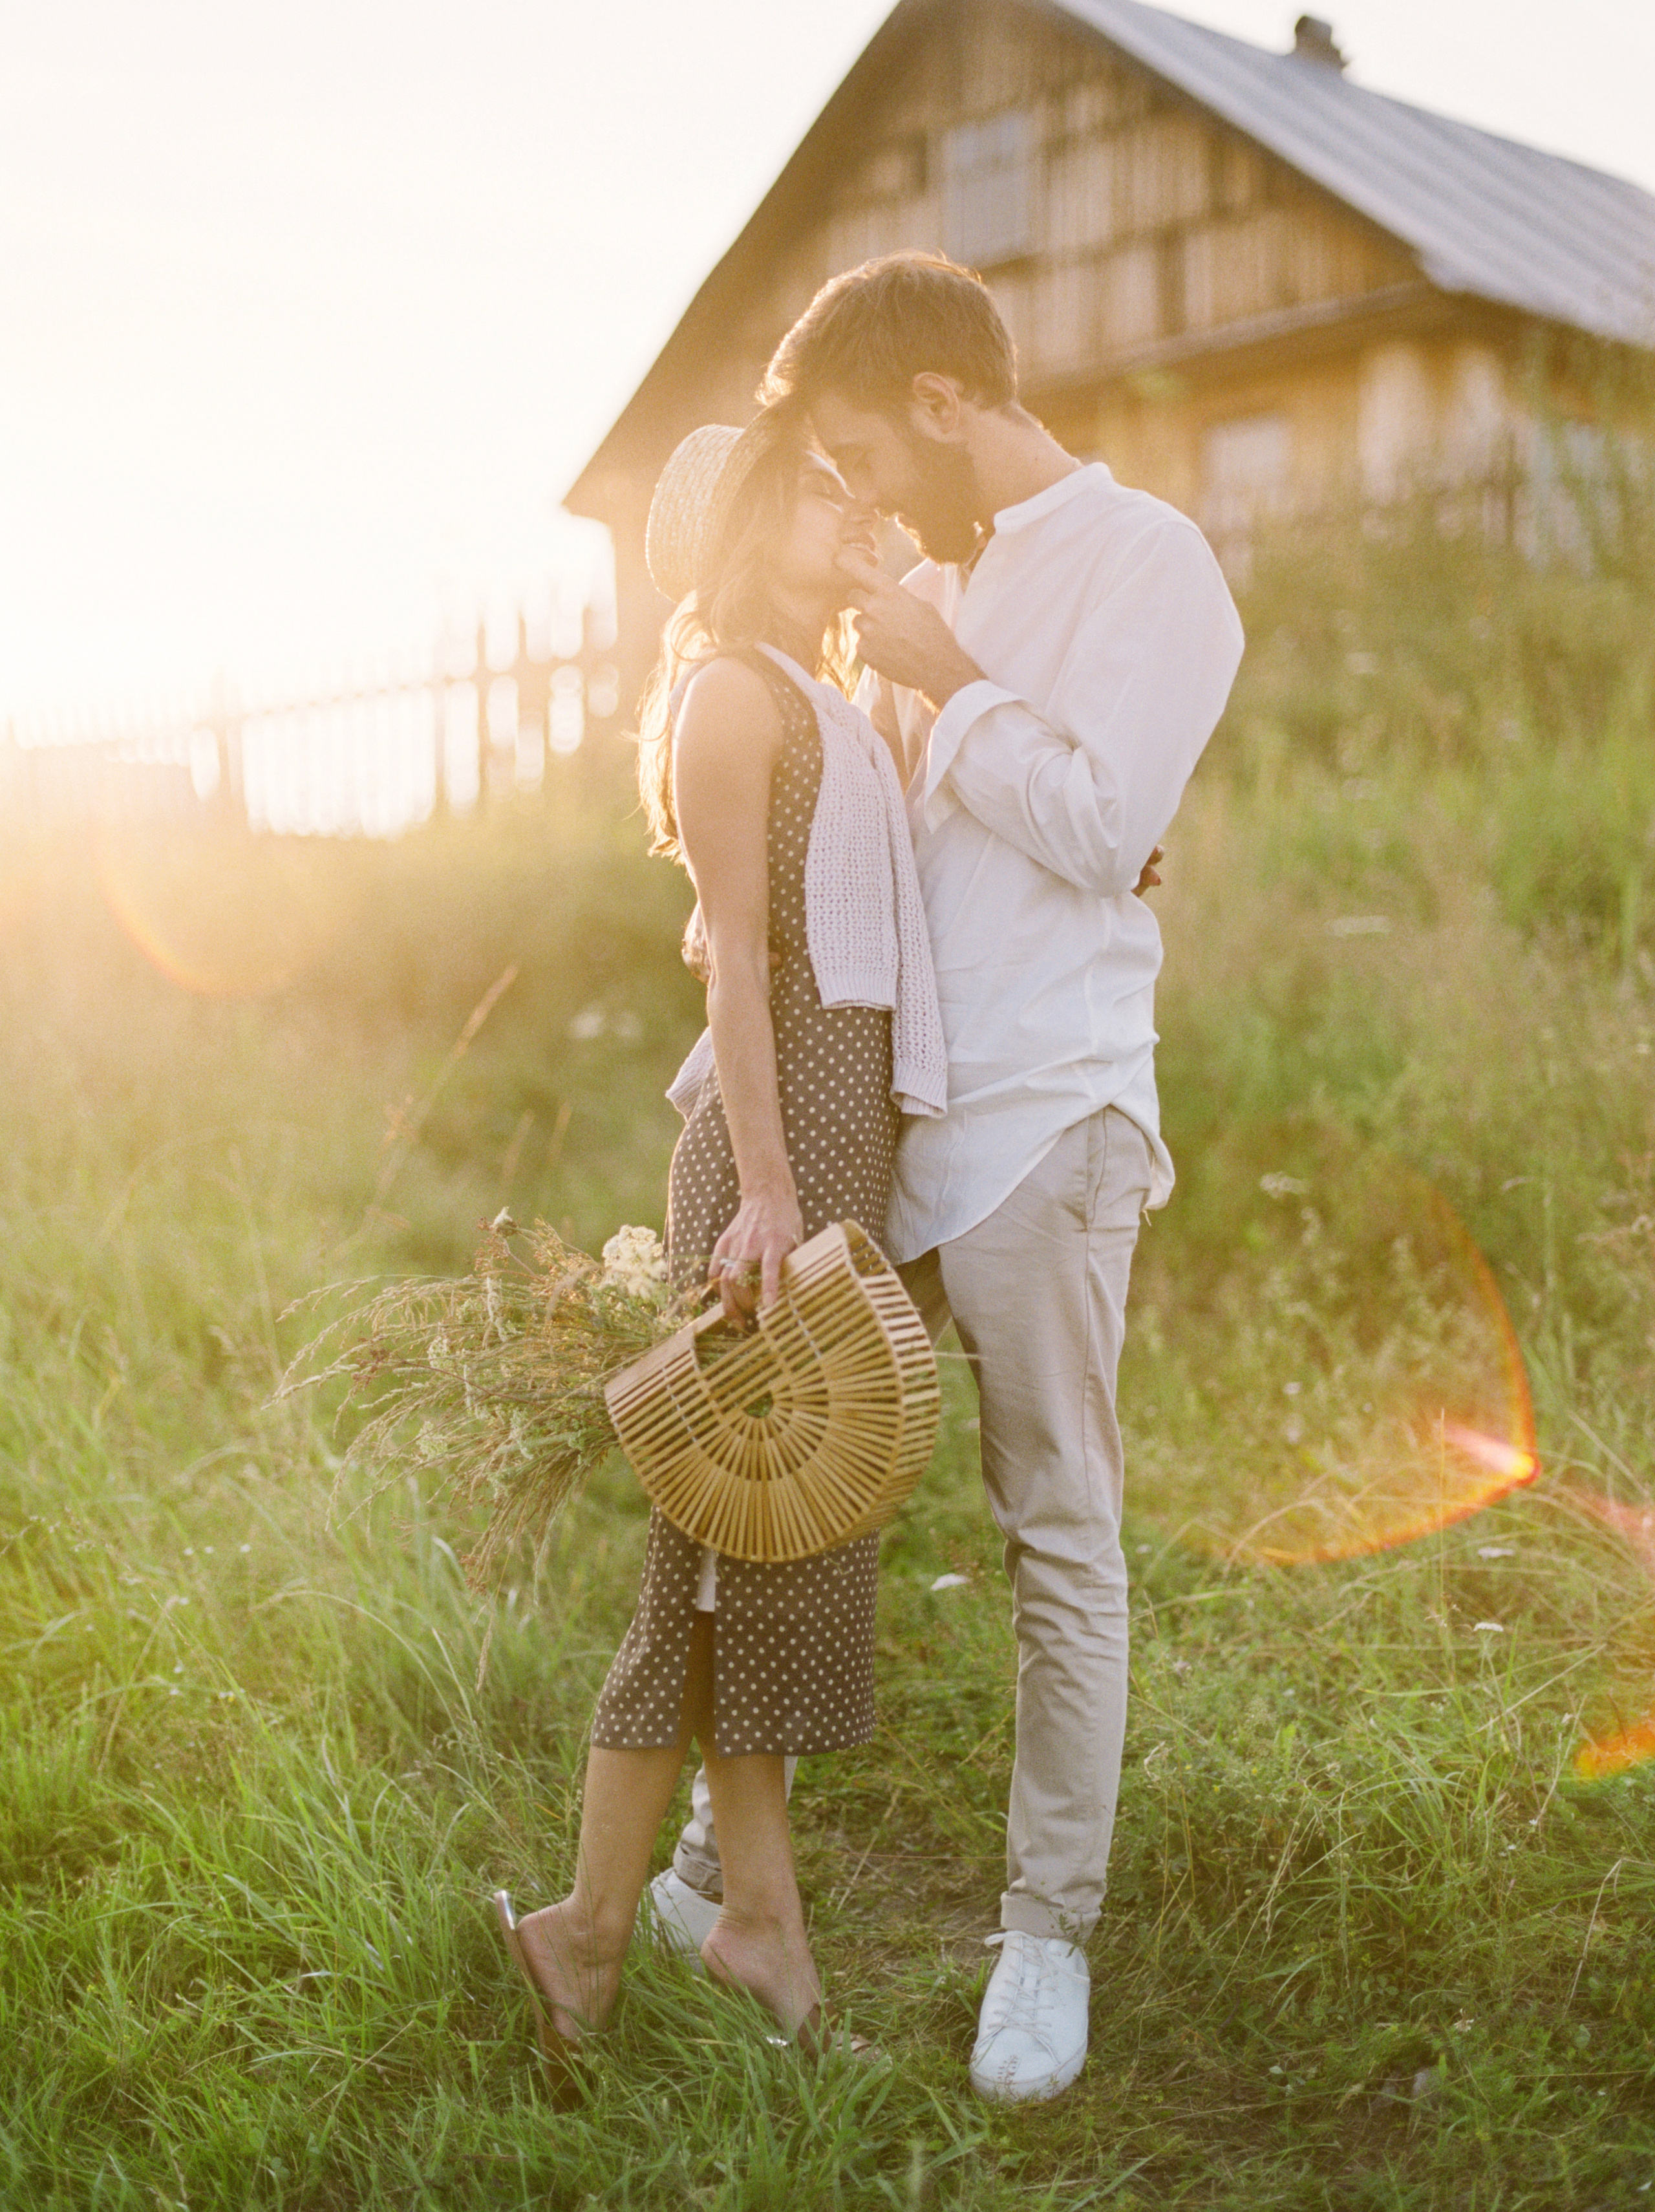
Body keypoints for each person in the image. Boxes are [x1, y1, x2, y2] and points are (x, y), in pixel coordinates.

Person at [648, 253, 1244, 2105]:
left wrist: (957, 682)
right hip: (881, 1124)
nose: (859, 499)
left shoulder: (1152, 566)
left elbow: (1097, 828)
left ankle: (1044, 1937)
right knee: (781, 1488)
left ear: (933, 403)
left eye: (855, 452)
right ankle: (702, 1875)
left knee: (1054, 1524)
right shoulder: (922, 586)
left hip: (1047, 1119)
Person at [493, 407, 945, 2091]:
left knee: (759, 1565)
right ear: (753, 516)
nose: (855, 500)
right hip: (773, 1164)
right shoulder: (732, 698)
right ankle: (652, 1934)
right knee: (718, 1565)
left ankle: (694, 1931)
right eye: (819, 486)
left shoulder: (817, 686)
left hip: (835, 1150)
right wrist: (764, 1186)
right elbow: (739, 965)